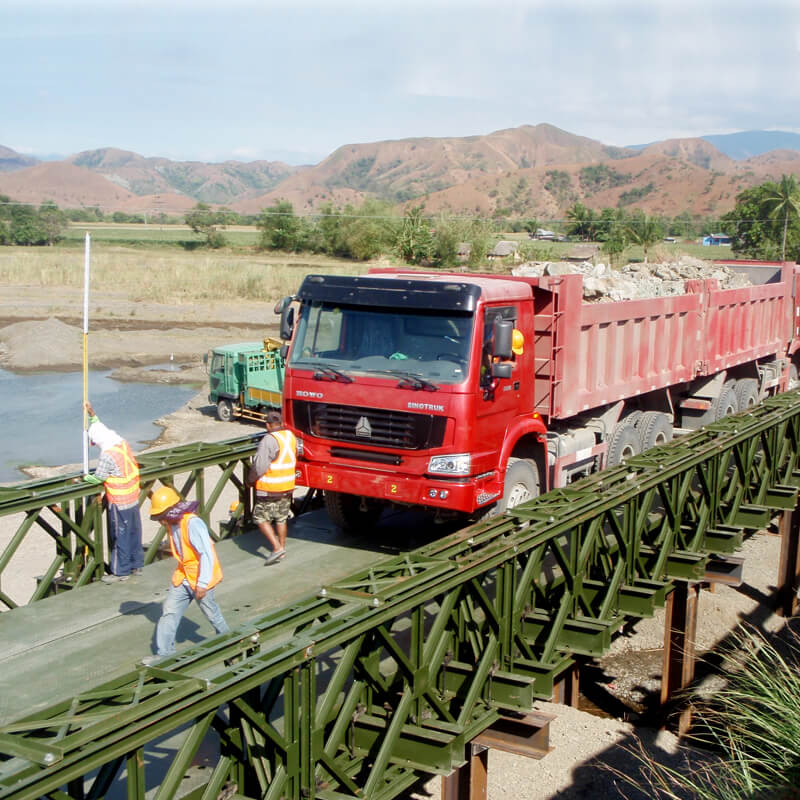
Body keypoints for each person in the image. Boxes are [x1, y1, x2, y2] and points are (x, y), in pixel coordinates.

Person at [143, 486, 229, 662]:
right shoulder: (172, 523)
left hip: (200, 577)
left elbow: (206, 554)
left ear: (171, 511)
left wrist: (202, 584)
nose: (160, 522)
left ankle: (231, 644)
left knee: (212, 614)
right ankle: (164, 654)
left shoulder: (192, 523)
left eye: (161, 517)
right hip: (183, 576)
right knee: (169, 611)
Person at [82, 401, 143, 583]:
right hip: (133, 496)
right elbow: (100, 427)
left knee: (120, 534)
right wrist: (92, 414)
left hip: (120, 499)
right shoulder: (121, 443)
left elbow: (98, 478)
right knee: (134, 531)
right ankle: (136, 564)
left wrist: (85, 478)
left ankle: (121, 571)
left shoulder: (107, 454)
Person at [247, 410, 297, 565]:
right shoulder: (290, 437)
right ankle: (282, 548)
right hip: (287, 486)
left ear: (267, 425)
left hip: (270, 487)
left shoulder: (268, 440)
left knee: (260, 517)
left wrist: (250, 480)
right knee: (281, 519)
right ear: (281, 423)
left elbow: (260, 466)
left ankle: (276, 548)